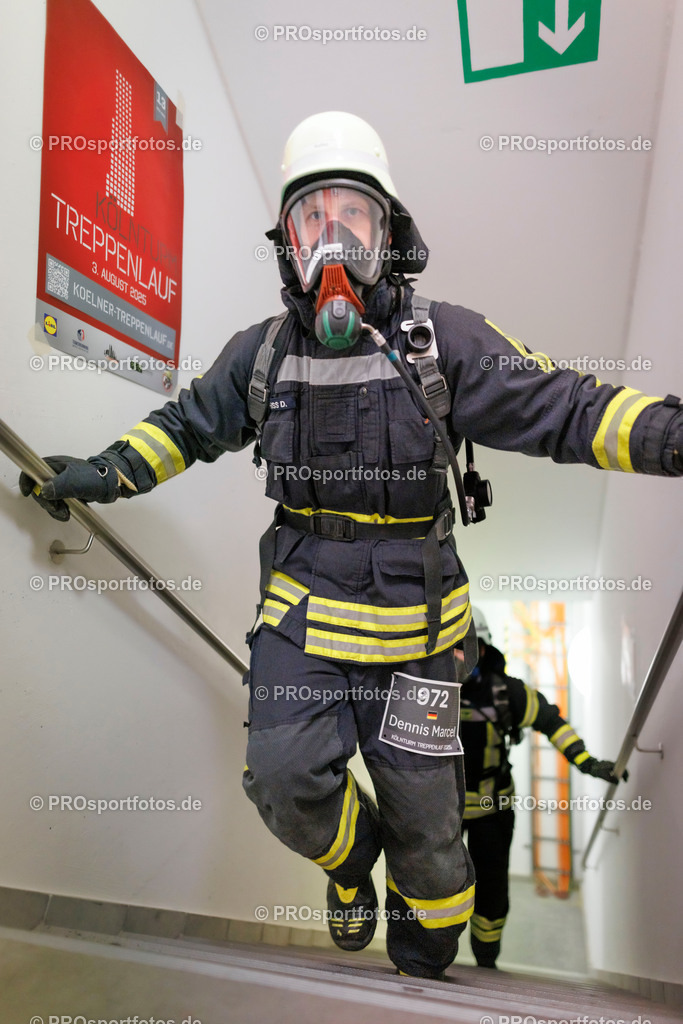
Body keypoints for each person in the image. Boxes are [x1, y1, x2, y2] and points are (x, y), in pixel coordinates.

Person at [20, 112, 682, 981]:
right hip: (303, 615)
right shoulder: (260, 355)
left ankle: (420, 956)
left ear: (389, 234)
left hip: (420, 636)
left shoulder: (445, 343)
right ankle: (348, 864)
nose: (332, 240)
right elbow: (187, 425)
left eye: (353, 217)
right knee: (284, 785)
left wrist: (669, 435)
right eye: (311, 219)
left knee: (433, 864)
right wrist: (110, 471)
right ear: (288, 245)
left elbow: (562, 406)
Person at [457, 606, 627, 970]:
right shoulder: (427, 693)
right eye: (456, 648)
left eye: (470, 647)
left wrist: (586, 761)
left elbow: (552, 721)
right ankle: (429, 956)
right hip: (441, 813)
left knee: (492, 893)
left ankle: (486, 962)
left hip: (492, 811)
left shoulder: (507, 692)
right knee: (435, 884)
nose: (462, 657)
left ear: (483, 648)